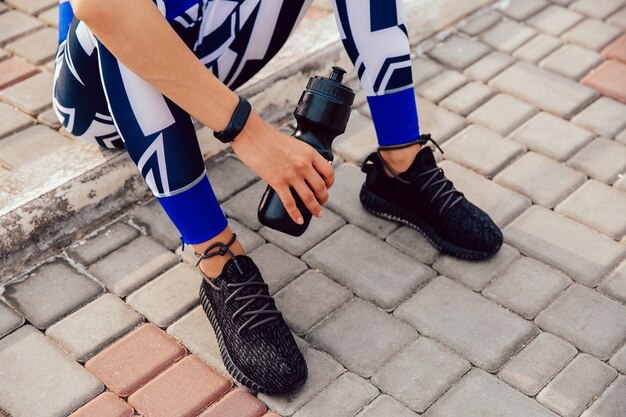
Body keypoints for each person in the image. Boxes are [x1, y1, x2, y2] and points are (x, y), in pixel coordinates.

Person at [53, 0, 502, 394]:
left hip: (213, 43)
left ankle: (400, 167)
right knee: (117, 14)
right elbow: (102, 8)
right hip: (101, 87)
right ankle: (216, 256)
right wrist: (251, 134)